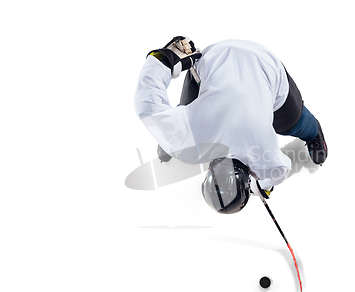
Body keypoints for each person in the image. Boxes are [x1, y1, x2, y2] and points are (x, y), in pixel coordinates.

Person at [134, 36, 327, 214]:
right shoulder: (187, 146)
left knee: (294, 123)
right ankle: (171, 130)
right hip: (231, 59)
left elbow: (278, 173)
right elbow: (148, 106)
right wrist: (163, 61)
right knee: (185, 115)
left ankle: (313, 132)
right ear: (209, 171)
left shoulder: (268, 162)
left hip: (248, 61)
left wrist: (261, 188)